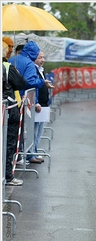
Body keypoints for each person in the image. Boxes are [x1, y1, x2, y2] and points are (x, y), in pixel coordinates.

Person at [8, 41, 51, 164]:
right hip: (21, 100)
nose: (40, 58)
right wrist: (42, 82)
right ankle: (18, 157)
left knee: (12, 132)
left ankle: (13, 156)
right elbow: (29, 82)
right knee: (21, 130)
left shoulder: (12, 59)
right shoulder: (29, 64)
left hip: (11, 98)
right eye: (39, 55)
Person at [2, 41, 26, 186]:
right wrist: (14, 72)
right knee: (9, 144)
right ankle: (7, 176)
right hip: (9, 111)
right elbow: (21, 84)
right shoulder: (7, 67)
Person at [32, 50, 53, 163]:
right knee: (34, 130)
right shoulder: (33, 69)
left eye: (43, 57)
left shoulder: (41, 70)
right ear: (34, 58)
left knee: (40, 130)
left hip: (44, 104)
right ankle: (31, 153)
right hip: (38, 104)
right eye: (40, 57)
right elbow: (33, 86)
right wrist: (35, 102)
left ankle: (35, 151)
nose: (42, 60)